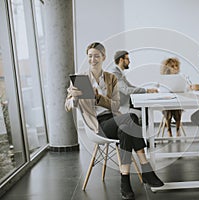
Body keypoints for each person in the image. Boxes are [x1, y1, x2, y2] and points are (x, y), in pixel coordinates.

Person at [65, 42, 163, 200]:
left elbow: (116, 105)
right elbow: (68, 106)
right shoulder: (81, 79)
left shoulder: (111, 78)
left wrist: (99, 97)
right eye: (90, 56)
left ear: (103, 57)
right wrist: (75, 98)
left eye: (97, 56)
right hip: (97, 124)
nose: (93, 59)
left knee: (125, 128)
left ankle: (125, 183)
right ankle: (146, 169)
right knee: (131, 118)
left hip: (114, 119)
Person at [160, 58, 183, 137]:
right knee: (168, 110)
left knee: (177, 109)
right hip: (166, 101)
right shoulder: (163, 78)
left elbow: (182, 88)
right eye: (173, 66)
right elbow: (160, 89)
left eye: (176, 66)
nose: (175, 68)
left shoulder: (180, 77)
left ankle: (177, 129)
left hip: (176, 100)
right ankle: (169, 129)